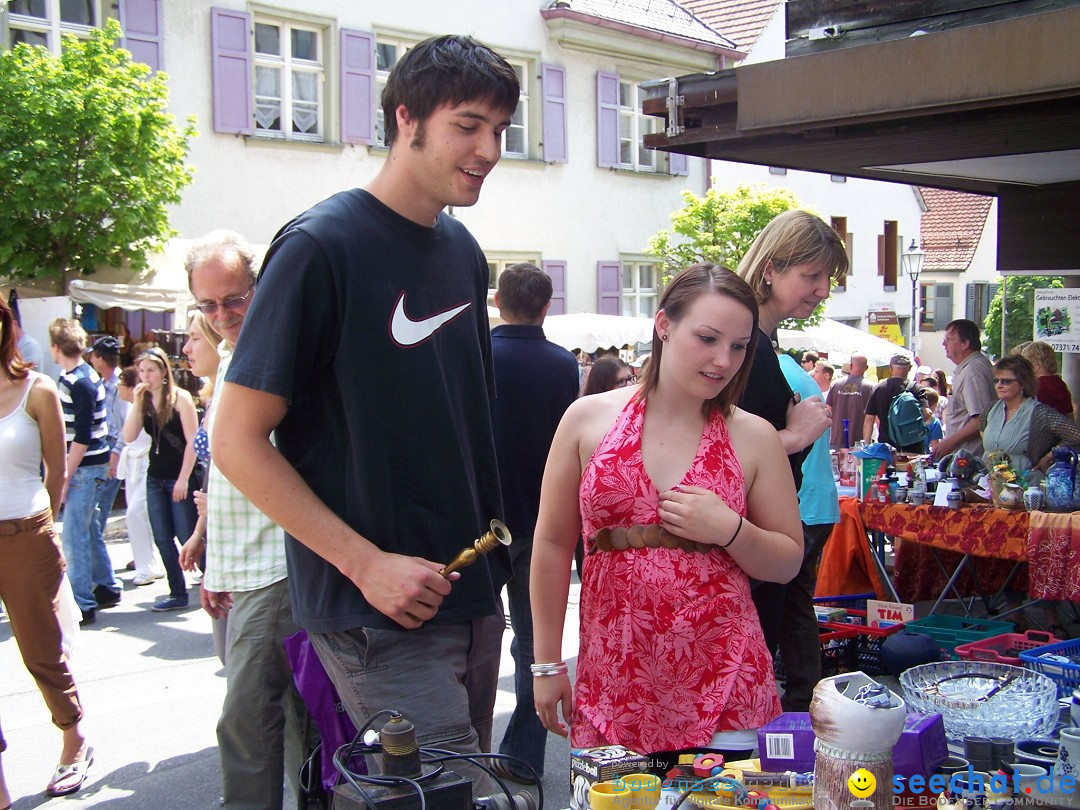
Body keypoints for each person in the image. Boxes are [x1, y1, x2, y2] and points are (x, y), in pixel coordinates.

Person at [212, 36, 519, 796]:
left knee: (437, 794)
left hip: (471, 590)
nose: (488, 149)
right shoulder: (321, 246)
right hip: (375, 609)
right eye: (468, 125)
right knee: (449, 796)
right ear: (405, 117)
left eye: (500, 130)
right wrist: (364, 563)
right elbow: (235, 441)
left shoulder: (463, 251)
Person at [531, 264, 802, 759]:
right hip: (613, 684)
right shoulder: (587, 418)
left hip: (728, 691)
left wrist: (731, 530)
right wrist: (547, 663)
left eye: (739, 346)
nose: (723, 360)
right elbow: (550, 544)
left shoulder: (754, 436)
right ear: (664, 326)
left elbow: (787, 561)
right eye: (707, 338)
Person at [183, 231, 310, 808]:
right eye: (207, 305)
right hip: (247, 566)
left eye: (234, 298)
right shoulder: (236, 355)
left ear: (260, 287)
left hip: (279, 562)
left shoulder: (280, 351)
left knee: (247, 720)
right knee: (287, 715)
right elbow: (227, 470)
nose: (221, 315)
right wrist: (215, 562)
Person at [736, 209, 845, 712]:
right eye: (812, 275)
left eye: (829, 277)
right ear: (771, 269)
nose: (823, 289)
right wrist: (795, 435)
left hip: (752, 543)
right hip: (741, 550)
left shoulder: (756, 341)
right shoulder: (745, 345)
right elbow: (711, 454)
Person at [488, 262, 579, 784]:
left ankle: (462, 751)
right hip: (540, 520)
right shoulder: (562, 364)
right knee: (533, 644)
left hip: (480, 519)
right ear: (546, 307)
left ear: (498, 302)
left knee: (469, 642)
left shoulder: (479, 359)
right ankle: (522, 754)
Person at [0, 297, 93, 797]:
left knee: (41, 651)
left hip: (24, 534)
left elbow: (56, 473)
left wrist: (45, 530)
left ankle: (74, 737)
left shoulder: (37, 390)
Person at [981, 355, 1080, 638]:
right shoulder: (992, 409)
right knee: (1003, 553)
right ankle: (1016, 615)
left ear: (1022, 384)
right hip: (996, 494)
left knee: (1035, 553)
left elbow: (1075, 434)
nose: (999, 385)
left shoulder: (1039, 413)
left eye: (1006, 381)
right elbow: (986, 444)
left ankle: (1051, 617)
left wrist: (1049, 457)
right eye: (997, 380)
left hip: (1029, 493)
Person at [49, 318, 118, 627]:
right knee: (87, 528)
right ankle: (105, 585)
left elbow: (82, 432)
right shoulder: (87, 375)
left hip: (85, 466)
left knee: (75, 533)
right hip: (94, 464)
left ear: (55, 347)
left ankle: (83, 601)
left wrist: (64, 472)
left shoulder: (75, 381)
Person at [122, 347, 199, 612]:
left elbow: (193, 441)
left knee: (188, 533)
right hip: (155, 476)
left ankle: (213, 580)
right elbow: (129, 436)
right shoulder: (143, 401)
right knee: (162, 536)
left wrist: (184, 478)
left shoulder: (180, 398)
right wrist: (136, 402)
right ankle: (177, 592)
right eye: (142, 371)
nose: (146, 376)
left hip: (179, 475)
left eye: (151, 370)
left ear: (164, 371)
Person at [115, 366, 164, 586]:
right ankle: (145, 561)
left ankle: (148, 565)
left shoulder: (146, 405)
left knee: (137, 513)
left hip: (146, 463)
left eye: (121, 383)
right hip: (133, 464)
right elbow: (125, 435)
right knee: (134, 514)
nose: (118, 388)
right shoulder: (130, 405)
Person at [88, 336, 125, 586]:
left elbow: (125, 424)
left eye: (94, 356)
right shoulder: (102, 382)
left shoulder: (120, 383)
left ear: (100, 359)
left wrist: (115, 456)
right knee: (99, 507)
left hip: (114, 448)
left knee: (100, 507)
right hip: (106, 445)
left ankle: (102, 576)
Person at [933, 319, 995, 460]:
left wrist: (949, 443)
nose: (943, 344)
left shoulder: (973, 370)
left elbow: (981, 420)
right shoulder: (971, 367)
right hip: (966, 458)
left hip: (970, 460)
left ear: (965, 344)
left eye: (948, 339)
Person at [862, 354, 929, 453]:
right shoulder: (917, 389)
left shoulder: (879, 388)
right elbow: (927, 414)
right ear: (910, 368)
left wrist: (867, 447)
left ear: (890, 367)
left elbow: (869, 420)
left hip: (887, 446)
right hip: (913, 445)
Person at [826, 353, 874, 449]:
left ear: (851, 366)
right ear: (866, 367)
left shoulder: (835, 384)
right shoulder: (871, 387)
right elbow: (872, 419)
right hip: (860, 442)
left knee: (837, 463)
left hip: (837, 439)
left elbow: (828, 410)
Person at [1019, 340, 1074, 418]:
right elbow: (1069, 413)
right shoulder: (1059, 383)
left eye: (1027, 364)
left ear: (1037, 365)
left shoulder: (1036, 386)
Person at [923, 388, 944, 454]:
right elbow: (935, 448)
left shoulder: (910, 419)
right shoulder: (934, 422)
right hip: (923, 459)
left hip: (906, 457)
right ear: (934, 405)